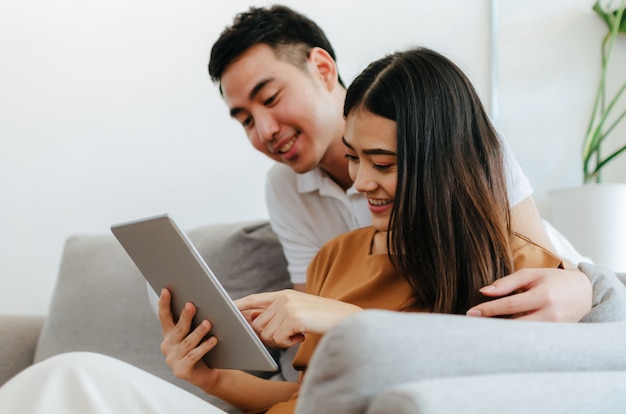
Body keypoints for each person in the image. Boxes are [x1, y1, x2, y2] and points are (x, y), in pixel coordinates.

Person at [1, 45, 624, 414]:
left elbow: (486, 373)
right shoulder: (337, 255)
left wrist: (335, 318)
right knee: (74, 375)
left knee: (68, 379)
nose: (359, 183)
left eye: (382, 163)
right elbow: (300, 393)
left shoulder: (518, 268)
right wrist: (211, 378)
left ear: (443, 160)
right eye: (353, 159)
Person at [208, 4, 592, 321]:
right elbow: (310, 324)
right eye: (245, 120)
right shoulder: (286, 189)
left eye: (271, 98)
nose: (264, 130)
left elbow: (540, 269)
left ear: (323, 69)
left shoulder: (455, 135)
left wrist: (583, 286)